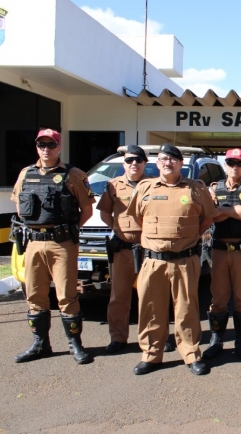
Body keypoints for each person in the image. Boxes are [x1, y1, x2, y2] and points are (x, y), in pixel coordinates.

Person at [126, 144, 218, 376]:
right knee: (150, 309)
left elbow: (207, 219)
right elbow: (138, 218)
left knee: (187, 309)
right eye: (163, 159)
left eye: (173, 159)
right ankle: (151, 355)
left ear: (180, 163)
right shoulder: (145, 187)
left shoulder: (195, 189)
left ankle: (191, 354)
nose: (168, 163)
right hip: (153, 261)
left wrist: (188, 237)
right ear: (157, 163)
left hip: (185, 260)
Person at [12, 129, 95, 365]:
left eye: (51, 145)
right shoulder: (25, 174)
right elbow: (20, 206)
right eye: (41, 145)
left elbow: (87, 210)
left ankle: (74, 344)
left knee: (67, 295)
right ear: (37, 147)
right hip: (33, 244)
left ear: (59, 147)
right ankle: (40, 344)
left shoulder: (73, 175)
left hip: (62, 243)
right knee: (35, 294)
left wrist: (67, 231)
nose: (46, 149)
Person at [203, 148, 241, 361]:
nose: (234, 167)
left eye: (239, 163)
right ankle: (216, 340)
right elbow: (210, 215)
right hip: (219, 251)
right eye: (231, 162)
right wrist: (235, 210)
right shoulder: (213, 188)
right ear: (225, 164)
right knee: (218, 299)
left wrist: (224, 210)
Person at [97, 145, 149, 354]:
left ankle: (153, 337)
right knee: (119, 296)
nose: (134, 164)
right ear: (123, 164)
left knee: (151, 296)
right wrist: (119, 231)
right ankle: (118, 338)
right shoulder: (113, 186)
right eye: (129, 160)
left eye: (138, 160)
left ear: (144, 163)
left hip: (148, 249)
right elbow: (104, 214)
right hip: (122, 250)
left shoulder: (153, 185)